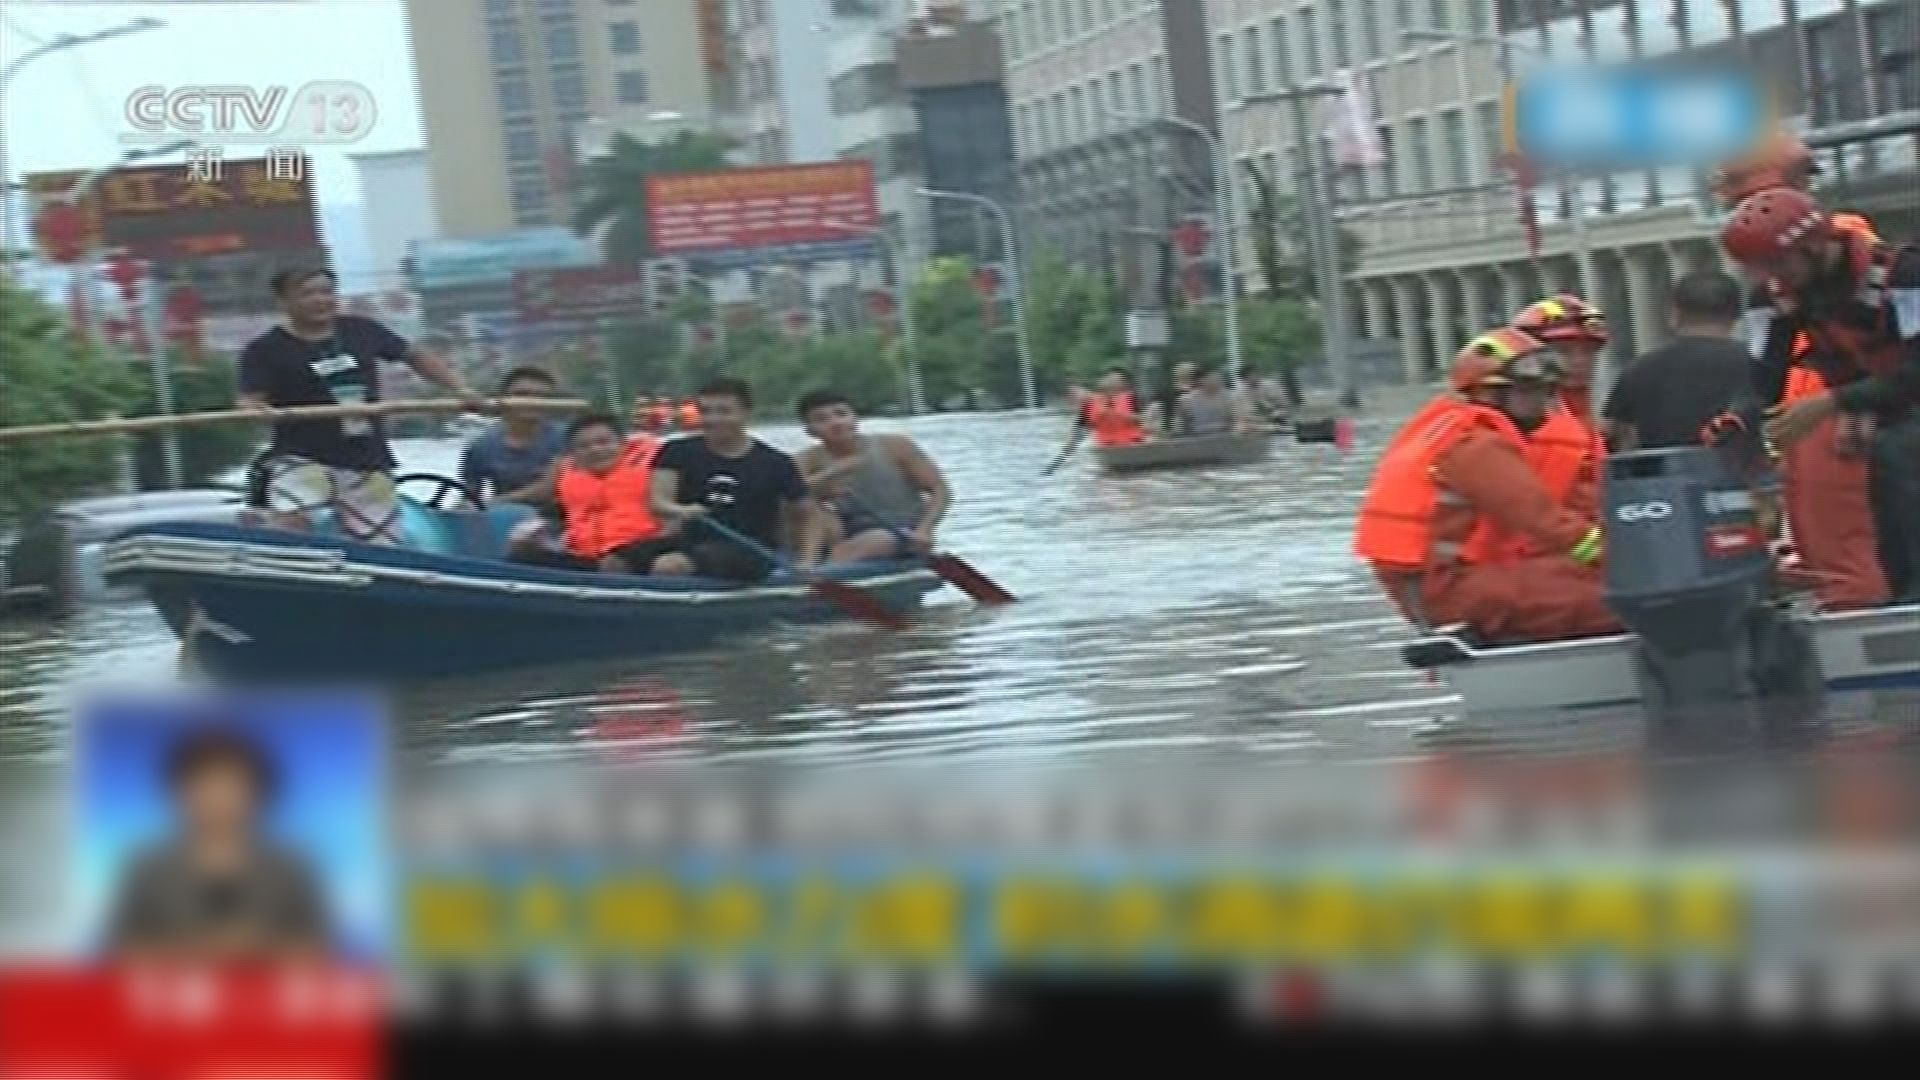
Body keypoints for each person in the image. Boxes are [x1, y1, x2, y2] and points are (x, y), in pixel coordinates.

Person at [1709, 137, 1890, 610]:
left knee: (1846, 544)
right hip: (1811, 407)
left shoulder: (1840, 250)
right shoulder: (1798, 262)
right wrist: (1739, 418)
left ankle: (1866, 631)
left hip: (1835, 408)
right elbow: (1763, 361)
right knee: (1825, 539)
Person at [1354, 328, 1619, 644]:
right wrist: (1635, 558)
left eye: (1547, 392)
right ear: (1489, 393)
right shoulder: (1477, 447)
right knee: (1618, 600)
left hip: (1443, 581)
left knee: (1586, 577)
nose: (1543, 404)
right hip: (1449, 589)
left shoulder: (1456, 428)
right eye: (1530, 393)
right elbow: (1549, 524)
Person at [239, 266, 482, 545]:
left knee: (383, 545)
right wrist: (255, 411)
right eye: (307, 294)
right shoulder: (264, 349)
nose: (320, 300)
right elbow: (250, 399)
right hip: (300, 456)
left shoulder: (361, 330)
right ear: (283, 301)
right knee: (291, 520)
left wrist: (462, 389)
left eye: (326, 292)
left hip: (365, 458)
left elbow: (416, 357)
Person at [108, 727, 330, 959]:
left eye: (232, 786)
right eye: (205, 786)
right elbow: (121, 950)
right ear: (181, 793)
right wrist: (201, 948)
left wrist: (257, 946)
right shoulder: (149, 868)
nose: (219, 799)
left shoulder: (291, 868)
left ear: (258, 794)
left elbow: (317, 950)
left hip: (266, 993)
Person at [648, 377, 822, 581]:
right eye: (706, 411)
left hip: (750, 550)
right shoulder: (676, 451)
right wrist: (682, 511)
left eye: (724, 411)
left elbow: (809, 515)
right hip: (689, 542)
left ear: (746, 414)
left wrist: (808, 561)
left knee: (669, 566)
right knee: (613, 562)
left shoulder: (775, 462)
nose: (713, 419)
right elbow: (657, 502)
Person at [1603, 271, 1755, 452]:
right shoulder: (1761, 365)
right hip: (1747, 475)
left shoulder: (1640, 369)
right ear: (1737, 314)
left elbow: (1616, 434)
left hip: (1664, 476)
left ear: (1675, 314)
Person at [503, 413, 673, 574]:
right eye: (584, 446)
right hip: (585, 559)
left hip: (639, 556)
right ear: (574, 454)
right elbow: (556, 510)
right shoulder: (569, 477)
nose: (595, 450)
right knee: (520, 556)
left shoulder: (656, 471)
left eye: (604, 442)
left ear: (622, 444)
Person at [794, 389, 952, 563]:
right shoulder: (806, 459)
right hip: (845, 530)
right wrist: (829, 474)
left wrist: (925, 530)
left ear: (856, 418)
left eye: (841, 414)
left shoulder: (895, 446)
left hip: (900, 530)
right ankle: (810, 562)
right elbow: (785, 496)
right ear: (810, 431)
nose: (835, 423)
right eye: (822, 419)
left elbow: (940, 490)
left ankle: (827, 568)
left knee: (879, 539)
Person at [458, 367, 566, 506]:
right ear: (503, 398)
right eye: (521, 394)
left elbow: (546, 490)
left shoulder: (569, 439)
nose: (530, 402)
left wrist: (492, 503)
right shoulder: (481, 445)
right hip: (506, 518)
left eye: (540, 396)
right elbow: (470, 494)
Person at [1511, 293, 1608, 424]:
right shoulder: (1512, 423)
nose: (1580, 361)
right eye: (1563, 351)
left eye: (1589, 351)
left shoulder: (1594, 414)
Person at [1175, 365, 1255, 436]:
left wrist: (1239, 425)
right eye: (1211, 377)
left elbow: (1242, 420)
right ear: (1200, 380)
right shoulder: (1186, 400)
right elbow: (1179, 427)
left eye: (1218, 377)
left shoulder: (1232, 397)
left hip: (1227, 439)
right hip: (1197, 440)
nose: (1216, 380)